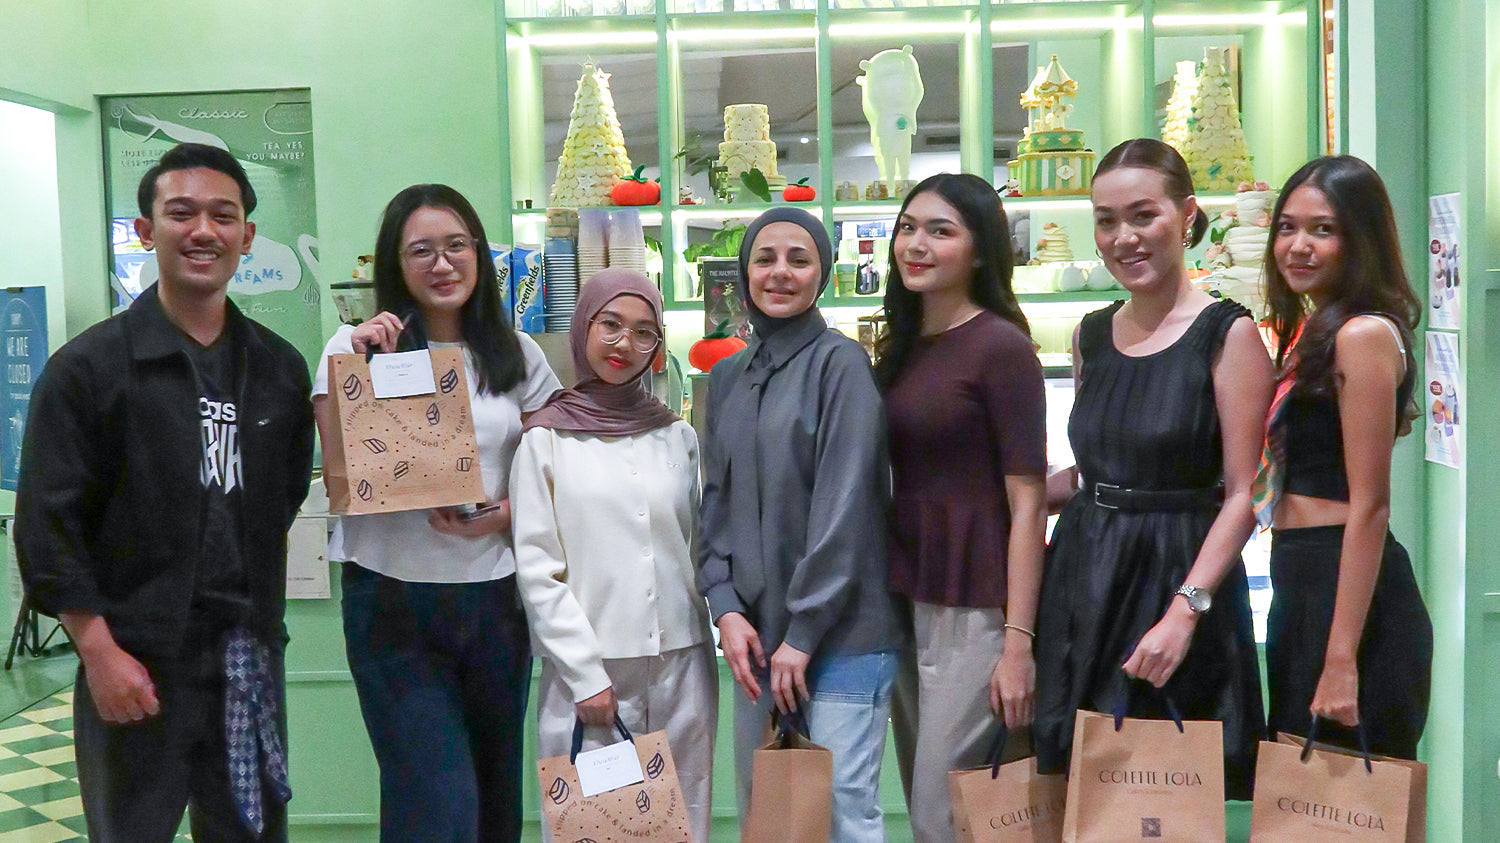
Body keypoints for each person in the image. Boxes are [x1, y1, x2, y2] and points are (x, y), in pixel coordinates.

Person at [15, 142, 315, 842]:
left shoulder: (277, 368)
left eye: (223, 215)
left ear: (246, 233)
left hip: (247, 654)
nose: (203, 230)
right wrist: (96, 648)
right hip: (134, 658)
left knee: (252, 833)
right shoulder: (88, 370)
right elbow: (46, 524)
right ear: (147, 229)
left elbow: (284, 494)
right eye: (180, 213)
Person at [311, 184, 560, 841]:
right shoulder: (352, 346)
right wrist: (358, 374)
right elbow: (340, 478)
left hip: (497, 607)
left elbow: (555, 475)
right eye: (421, 250)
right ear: (396, 264)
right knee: (437, 806)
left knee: (494, 806)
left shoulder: (517, 353)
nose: (443, 263)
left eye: (456, 245)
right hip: (394, 604)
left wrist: (504, 513)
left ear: (479, 254)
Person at [1033, 138, 1272, 800]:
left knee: (1165, 790)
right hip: (1084, 577)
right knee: (1081, 786)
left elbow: (1243, 496)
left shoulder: (1230, 334)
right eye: (1106, 220)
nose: (1123, 237)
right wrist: (1009, 498)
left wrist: (1185, 610)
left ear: (1187, 214)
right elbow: (1093, 471)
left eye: (1143, 215)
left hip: (1173, 580)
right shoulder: (1090, 333)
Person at [698, 207, 902, 841]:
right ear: (743, 272)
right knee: (770, 810)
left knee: (841, 812)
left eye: (799, 259)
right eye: (765, 259)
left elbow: (849, 508)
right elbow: (714, 501)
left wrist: (805, 632)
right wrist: (725, 606)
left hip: (841, 639)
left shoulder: (841, 365)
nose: (780, 273)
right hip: (757, 642)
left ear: (823, 273)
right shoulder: (730, 374)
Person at [511, 268, 716, 841]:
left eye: (645, 331)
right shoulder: (545, 440)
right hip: (594, 676)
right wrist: (584, 674)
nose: (625, 343)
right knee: (596, 829)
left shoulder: (677, 436)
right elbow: (537, 568)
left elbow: (696, 547)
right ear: (584, 328)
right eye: (610, 325)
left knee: (683, 822)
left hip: (683, 664)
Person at [874, 174, 1047, 842]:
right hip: (906, 592)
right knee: (936, 797)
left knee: (943, 811)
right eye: (908, 226)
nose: (916, 244)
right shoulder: (907, 342)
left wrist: (1018, 643)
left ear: (980, 250)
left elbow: (1028, 502)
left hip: (976, 601)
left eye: (941, 231)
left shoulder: (1001, 346)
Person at [1259, 155, 1432, 759]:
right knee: (1303, 803)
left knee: (1355, 807)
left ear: (1360, 239)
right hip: (1302, 575)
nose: (1297, 246)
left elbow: (1371, 508)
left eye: (1322, 230)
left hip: (1348, 588)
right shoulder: (1314, 329)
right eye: (1286, 227)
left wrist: (1340, 658)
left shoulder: (1361, 335)